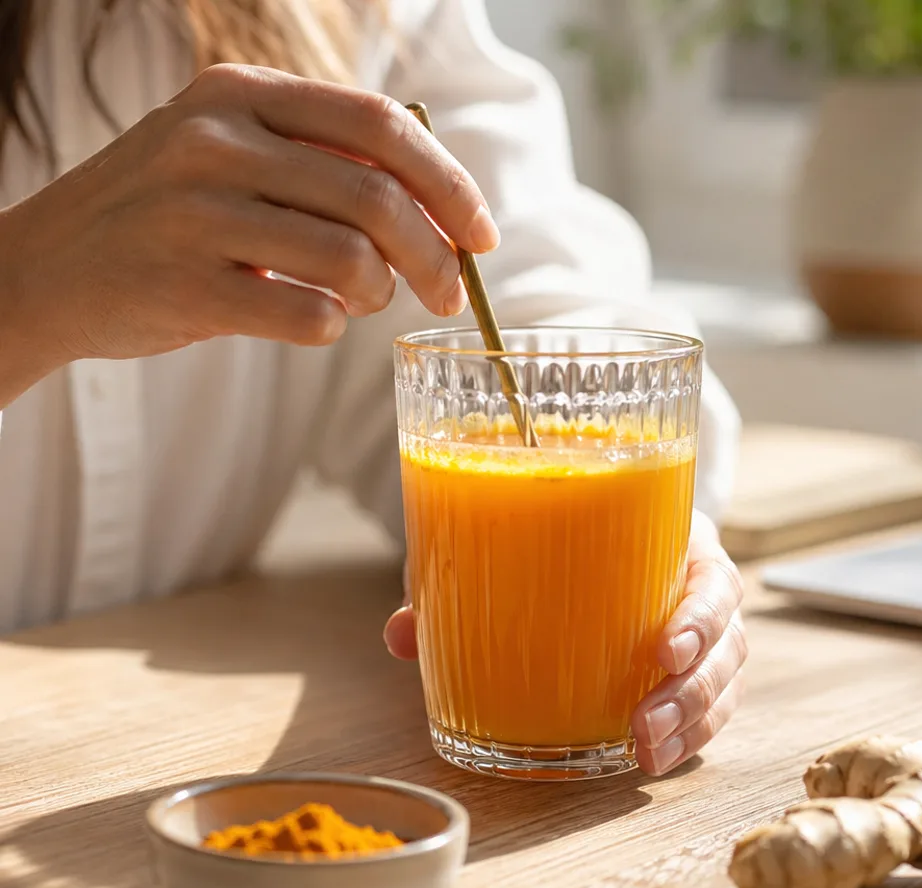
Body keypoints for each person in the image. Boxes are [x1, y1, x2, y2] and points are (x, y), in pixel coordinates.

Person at [0, 0, 746, 777]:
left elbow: (530, 304)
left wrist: (657, 552)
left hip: (157, 751)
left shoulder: (367, 17)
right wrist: (21, 286)